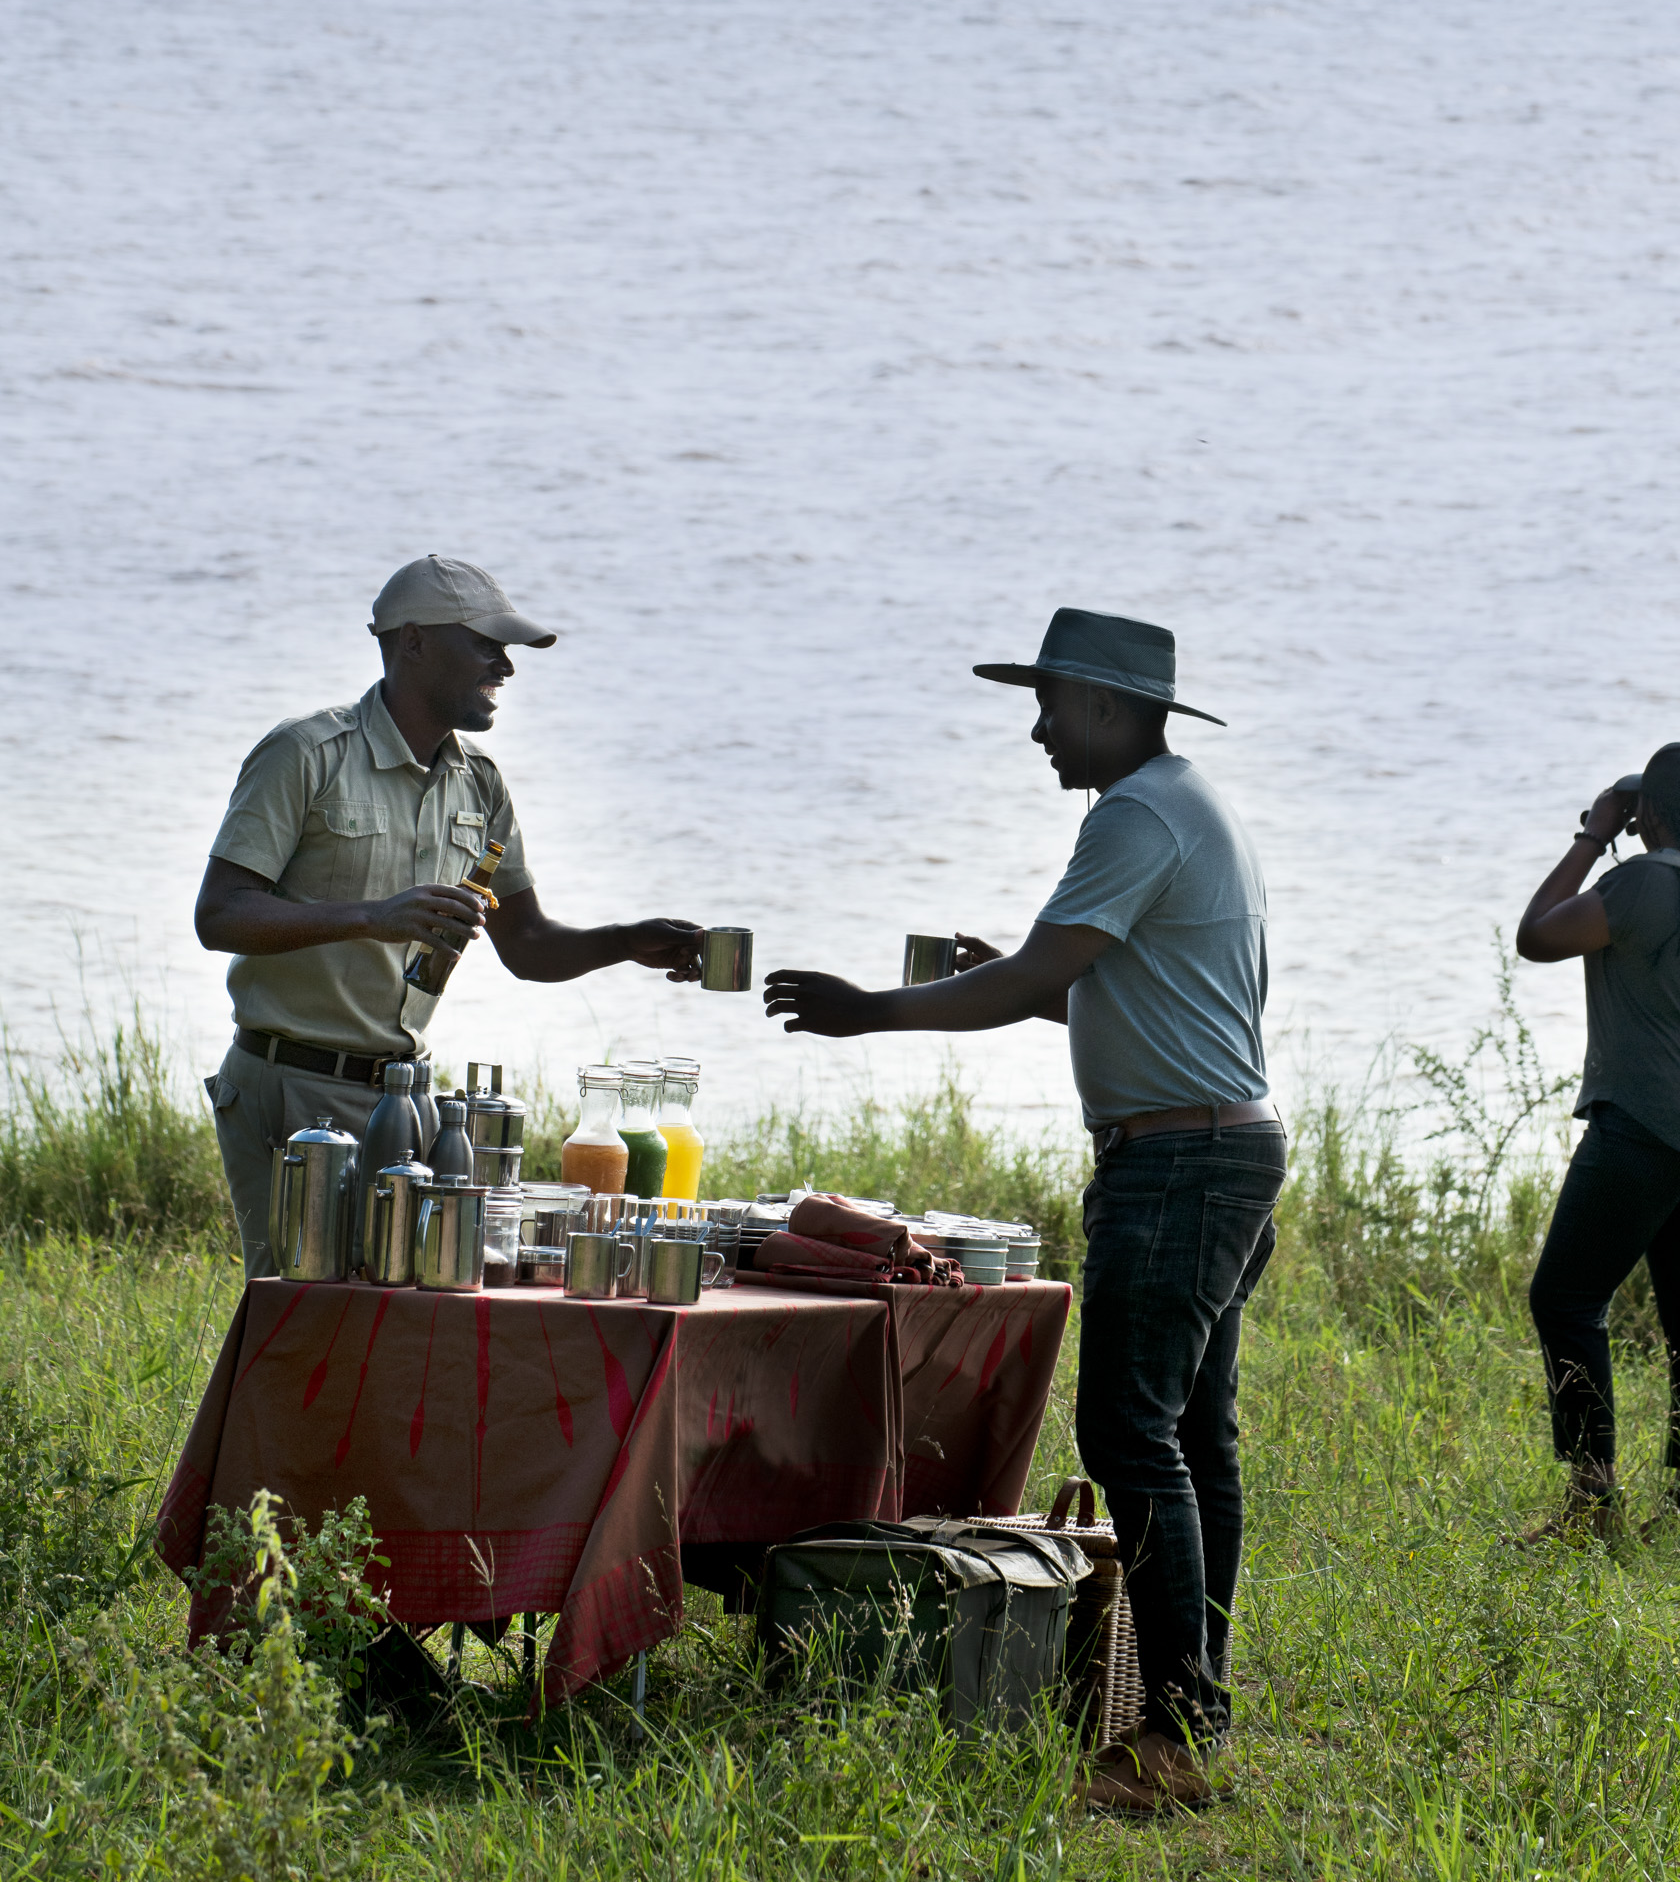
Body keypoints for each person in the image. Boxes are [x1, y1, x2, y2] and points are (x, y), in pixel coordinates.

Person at [763, 607, 1282, 1813]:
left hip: (1179, 1166)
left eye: (1049, 704)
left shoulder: (1141, 811)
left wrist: (871, 1009)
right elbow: (1108, 990)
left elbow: (1039, 980)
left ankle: (1172, 1735)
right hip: (1222, 1148)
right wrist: (1019, 962)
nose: (1038, 729)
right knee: (1192, 1436)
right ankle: (1186, 1703)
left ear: (1107, 704)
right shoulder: (1174, 804)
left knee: (1131, 1437)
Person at [195, 555, 704, 1275]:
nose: (506, 667)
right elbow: (221, 916)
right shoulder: (306, 754)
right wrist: (375, 917)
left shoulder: (482, 786)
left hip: (405, 1100)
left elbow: (527, 945)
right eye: (486, 644)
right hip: (290, 1091)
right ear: (413, 641)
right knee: (301, 1322)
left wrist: (626, 942)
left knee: (403, 1322)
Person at [1514, 742, 1680, 1541]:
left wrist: (1596, 834)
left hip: (1648, 1121)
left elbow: (1536, 935)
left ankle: (1592, 1502)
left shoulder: (1637, 883)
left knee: (1564, 1300)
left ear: (1652, 813)